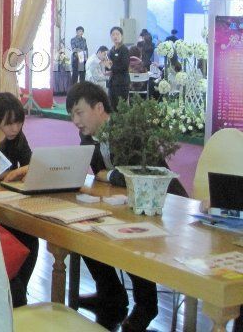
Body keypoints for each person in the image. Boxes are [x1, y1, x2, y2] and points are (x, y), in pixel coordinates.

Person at [66, 82, 188, 331]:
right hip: (125, 201)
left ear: (99, 108)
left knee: (132, 238)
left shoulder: (129, 129)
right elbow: (94, 171)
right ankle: (110, 293)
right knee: (86, 228)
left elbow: (136, 174)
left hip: (163, 203)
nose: (75, 121)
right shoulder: (88, 137)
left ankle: (147, 305)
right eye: (72, 115)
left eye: (79, 113)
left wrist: (109, 175)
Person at [0, 93, 40, 308]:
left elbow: (31, 162)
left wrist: (20, 171)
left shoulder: (17, 137)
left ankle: (20, 290)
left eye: (19, 123)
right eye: (9, 123)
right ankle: (11, 292)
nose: (15, 128)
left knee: (30, 237)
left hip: (8, 201)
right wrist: (7, 171)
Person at [107, 26, 130, 110]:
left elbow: (124, 66)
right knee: (112, 107)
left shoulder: (124, 49)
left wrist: (111, 67)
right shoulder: (111, 50)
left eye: (117, 34)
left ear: (122, 36)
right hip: (112, 82)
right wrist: (107, 67)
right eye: (113, 34)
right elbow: (109, 66)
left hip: (122, 83)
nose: (115, 36)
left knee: (120, 108)